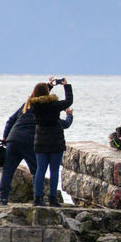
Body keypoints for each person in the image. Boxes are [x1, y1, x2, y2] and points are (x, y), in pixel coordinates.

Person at [0, 86, 73, 205]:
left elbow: (10, 120)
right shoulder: (47, 108)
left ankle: (3, 198)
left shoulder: (28, 105)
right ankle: (39, 197)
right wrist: (69, 115)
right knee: (37, 170)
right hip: (30, 142)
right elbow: (63, 122)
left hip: (13, 139)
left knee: (8, 170)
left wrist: (5, 138)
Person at [27, 79, 74, 207]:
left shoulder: (34, 105)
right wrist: (66, 86)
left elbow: (39, 96)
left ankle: (38, 198)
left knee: (40, 170)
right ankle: (53, 199)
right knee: (54, 171)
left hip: (40, 141)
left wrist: (49, 86)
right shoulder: (54, 105)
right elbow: (69, 101)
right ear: (47, 93)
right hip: (55, 141)